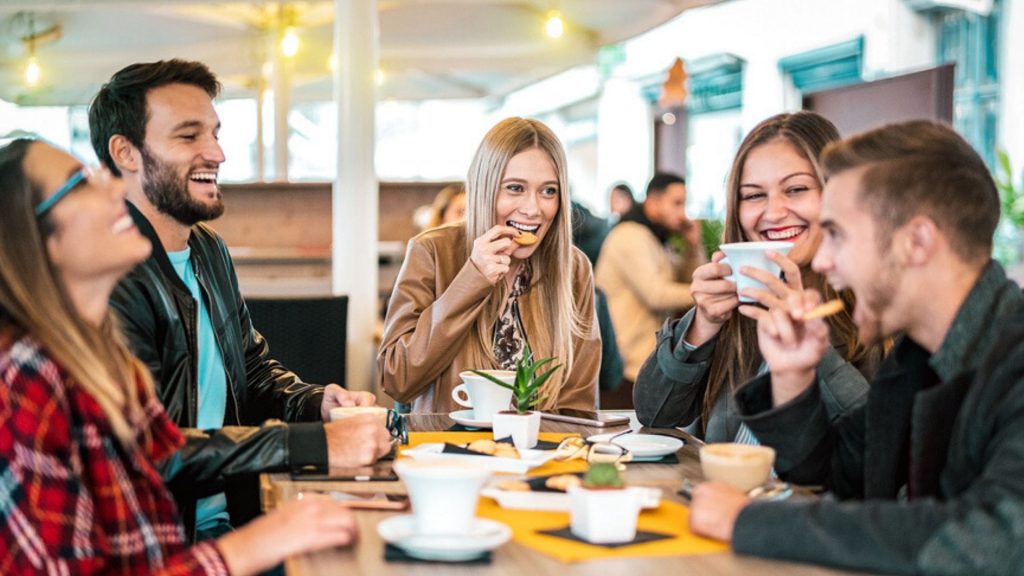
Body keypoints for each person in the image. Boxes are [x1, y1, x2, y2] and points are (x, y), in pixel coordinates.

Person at [0, 138, 363, 575]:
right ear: (32, 238)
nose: (114, 188)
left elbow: (166, 458)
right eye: (81, 183)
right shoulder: (22, 383)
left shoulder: (106, 365)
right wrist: (252, 545)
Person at [688, 120, 1024, 575]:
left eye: (838, 235)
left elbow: (995, 542)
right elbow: (836, 478)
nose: (823, 261)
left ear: (916, 241)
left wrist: (754, 522)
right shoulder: (916, 360)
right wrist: (792, 377)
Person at [88, 59, 392, 540]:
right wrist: (314, 444)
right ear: (126, 152)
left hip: (236, 519)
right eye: (189, 136)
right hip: (166, 544)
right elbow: (146, 451)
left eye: (215, 133)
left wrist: (317, 405)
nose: (217, 153)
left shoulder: (208, 249)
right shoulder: (105, 275)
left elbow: (250, 373)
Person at [633, 112, 874, 442]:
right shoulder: (735, 309)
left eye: (796, 189)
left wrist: (809, 351)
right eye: (754, 195)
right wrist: (702, 325)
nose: (773, 213)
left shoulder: (877, 312)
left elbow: (876, 449)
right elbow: (654, 414)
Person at [379, 117, 600, 412]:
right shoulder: (432, 250)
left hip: (541, 453)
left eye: (548, 191)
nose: (533, 209)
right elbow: (397, 379)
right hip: (447, 450)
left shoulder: (572, 268)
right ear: (485, 188)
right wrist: (472, 279)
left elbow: (578, 403)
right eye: (515, 188)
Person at [596, 172, 705, 389]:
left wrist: (693, 245)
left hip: (644, 365)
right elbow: (656, 295)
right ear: (654, 202)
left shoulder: (655, 237)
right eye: (676, 203)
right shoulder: (630, 235)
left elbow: (688, 279)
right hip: (625, 371)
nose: (683, 213)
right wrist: (709, 292)